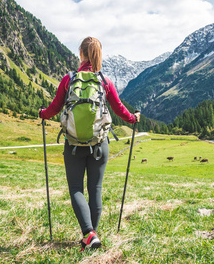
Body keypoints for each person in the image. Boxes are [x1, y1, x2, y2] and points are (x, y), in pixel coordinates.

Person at [39, 37, 140, 251]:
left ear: (81, 53)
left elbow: (55, 108)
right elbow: (120, 108)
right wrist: (133, 118)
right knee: (95, 188)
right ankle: (91, 236)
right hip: (99, 144)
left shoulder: (69, 79)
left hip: (73, 144)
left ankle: (88, 235)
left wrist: (42, 113)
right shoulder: (104, 81)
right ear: (99, 55)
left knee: (76, 188)